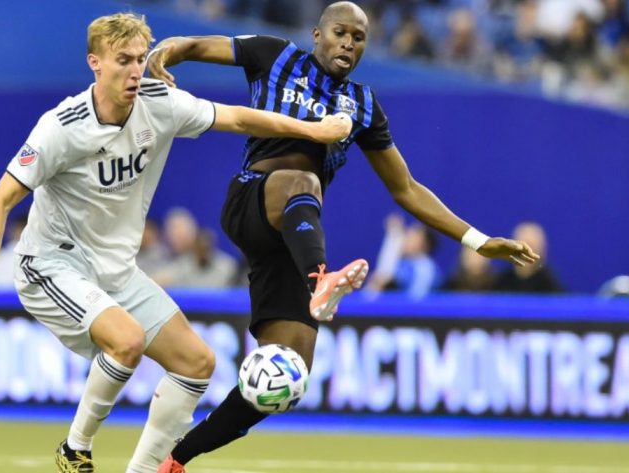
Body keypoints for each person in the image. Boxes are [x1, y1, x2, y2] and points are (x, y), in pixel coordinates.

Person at [146, 2, 541, 472]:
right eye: (340, 33)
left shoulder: (364, 104)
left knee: (285, 380)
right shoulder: (274, 56)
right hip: (253, 200)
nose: (348, 44)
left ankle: (175, 459)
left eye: (358, 38)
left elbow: (407, 189)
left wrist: (478, 240)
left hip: (291, 236)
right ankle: (321, 281)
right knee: (303, 180)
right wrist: (163, 54)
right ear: (317, 34)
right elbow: (194, 44)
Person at [0, 12, 351, 473]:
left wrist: (314, 130)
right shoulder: (61, 127)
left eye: (141, 59)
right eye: (123, 60)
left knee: (196, 363)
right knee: (127, 341)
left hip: (116, 271)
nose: (135, 70)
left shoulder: (159, 101)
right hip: (51, 265)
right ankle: (74, 449)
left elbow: (238, 117)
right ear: (95, 63)